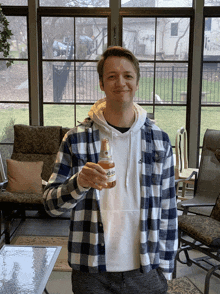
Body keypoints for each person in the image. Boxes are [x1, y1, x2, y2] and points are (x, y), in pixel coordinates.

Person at [43, 46, 178, 294]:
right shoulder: (75, 139)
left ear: (137, 83)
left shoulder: (159, 140)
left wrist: (166, 268)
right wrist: (79, 183)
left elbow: (169, 208)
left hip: (146, 268)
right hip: (91, 268)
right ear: (102, 84)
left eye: (128, 76)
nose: (121, 82)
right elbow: (51, 206)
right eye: (112, 76)